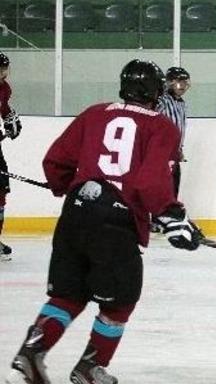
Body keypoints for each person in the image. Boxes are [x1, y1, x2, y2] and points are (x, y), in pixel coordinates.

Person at [5, 59, 201, 384]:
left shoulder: (95, 113)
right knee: (120, 301)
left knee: (67, 295)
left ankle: (30, 354)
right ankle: (88, 369)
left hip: (75, 214)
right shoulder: (161, 125)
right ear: (157, 92)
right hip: (115, 222)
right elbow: (148, 182)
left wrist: (65, 185)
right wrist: (171, 213)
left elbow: (55, 162)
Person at [0, 52, 22, 262]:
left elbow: (4, 109)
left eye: (5, 67)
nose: (4, 72)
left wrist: (9, 121)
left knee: (0, 191)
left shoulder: (4, 89)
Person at [156, 66, 190, 197]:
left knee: (173, 189)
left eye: (184, 82)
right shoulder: (163, 99)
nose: (182, 85)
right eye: (178, 81)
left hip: (173, 154)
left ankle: (168, 215)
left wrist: (179, 148)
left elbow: (180, 128)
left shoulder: (181, 103)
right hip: (161, 154)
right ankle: (159, 215)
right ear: (169, 82)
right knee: (162, 190)